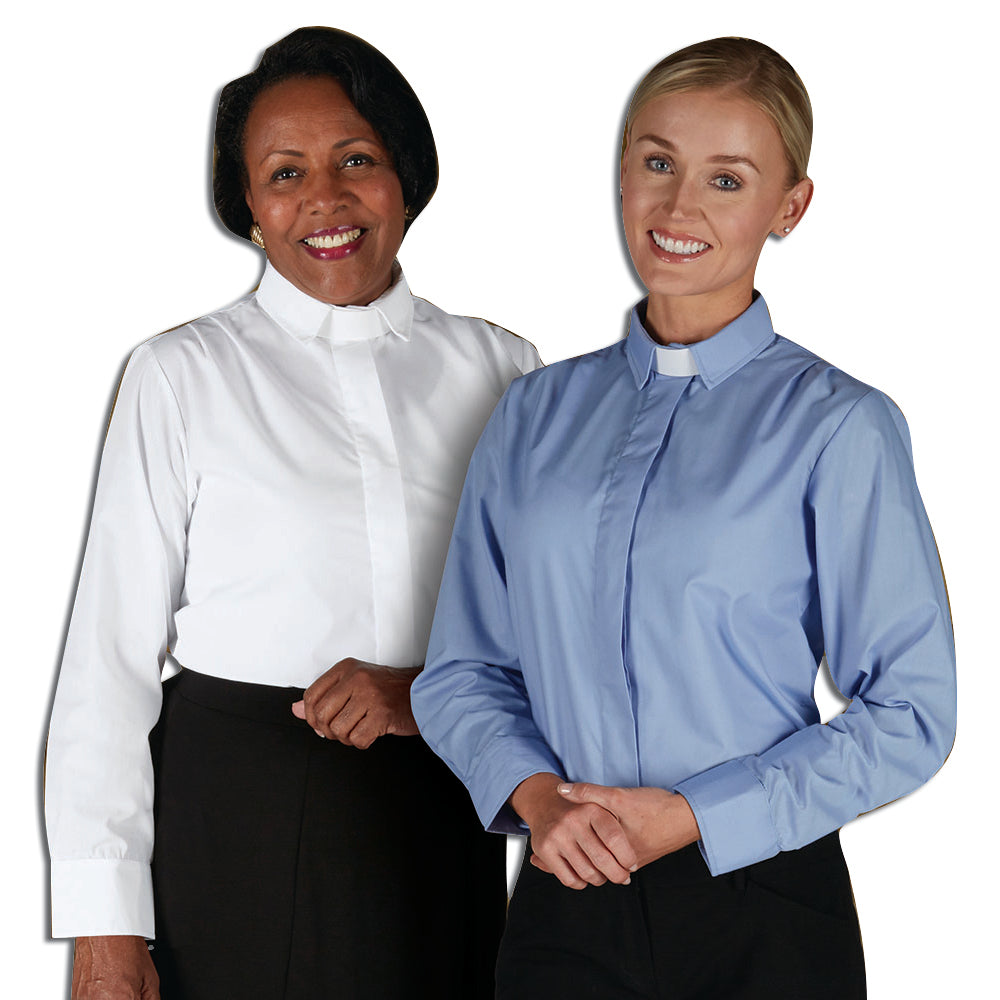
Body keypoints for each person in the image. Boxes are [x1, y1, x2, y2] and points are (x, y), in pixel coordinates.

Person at [411, 36, 956, 999]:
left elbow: (912, 713)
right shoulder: (533, 415)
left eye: (726, 179)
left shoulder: (840, 427)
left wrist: (697, 814)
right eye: (658, 163)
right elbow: (463, 671)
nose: (678, 208)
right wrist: (538, 798)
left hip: (765, 904)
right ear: (622, 169)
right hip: (564, 894)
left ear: (790, 206)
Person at [45, 26, 540, 1000]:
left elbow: (554, 629)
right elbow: (108, 663)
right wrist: (105, 927)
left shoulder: (504, 371)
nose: (325, 198)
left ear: (406, 176)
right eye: (284, 173)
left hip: (444, 816)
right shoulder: (181, 374)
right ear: (247, 206)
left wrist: (422, 693)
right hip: (239, 827)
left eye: (356, 160)